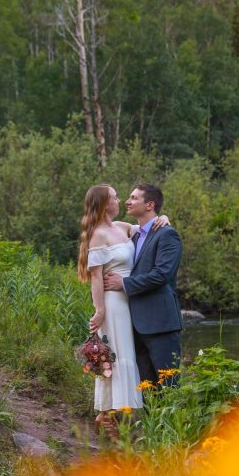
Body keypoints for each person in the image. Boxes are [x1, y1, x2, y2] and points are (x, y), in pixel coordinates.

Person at [77, 184, 169, 430]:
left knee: (127, 354)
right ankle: (108, 416)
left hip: (129, 297)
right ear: (105, 204)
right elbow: (96, 277)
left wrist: (163, 217)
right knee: (118, 355)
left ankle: (113, 415)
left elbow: (149, 228)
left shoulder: (121, 228)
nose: (121, 201)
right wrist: (100, 310)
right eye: (116, 197)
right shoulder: (98, 234)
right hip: (113, 303)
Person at [103, 183, 182, 387]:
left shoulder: (167, 234)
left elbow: (161, 274)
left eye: (134, 198)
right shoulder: (133, 234)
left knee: (169, 386)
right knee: (147, 389)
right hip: (135, 325)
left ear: (150, 204)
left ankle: (176, 421)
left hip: (161, 324)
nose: (128, 202)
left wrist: (124, 283)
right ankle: (151, 421)